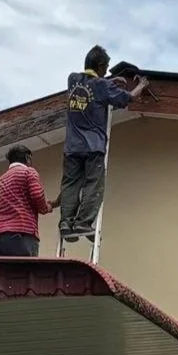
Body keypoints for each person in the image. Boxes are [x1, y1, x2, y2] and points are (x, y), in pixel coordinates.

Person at [61, 46, 148, 240]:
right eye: (106, 67)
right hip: (93, 147)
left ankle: (66, 223)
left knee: (71, 184)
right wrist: (141, 84)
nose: (107, 70)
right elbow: (128, 98)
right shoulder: (102, 86)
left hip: (72, 147)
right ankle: (83, 223)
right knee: (94, 184)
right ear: (100, 66)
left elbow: (93, 85)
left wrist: (108, 81)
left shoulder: (72, 80)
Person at [0, 145, 53, 257]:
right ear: (27, 157)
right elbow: (37, 195)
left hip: (1, 235)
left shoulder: (2, 179)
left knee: (5, 272)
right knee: (26, 272)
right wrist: (46, 208)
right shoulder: (28, 172)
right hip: (22, 233)